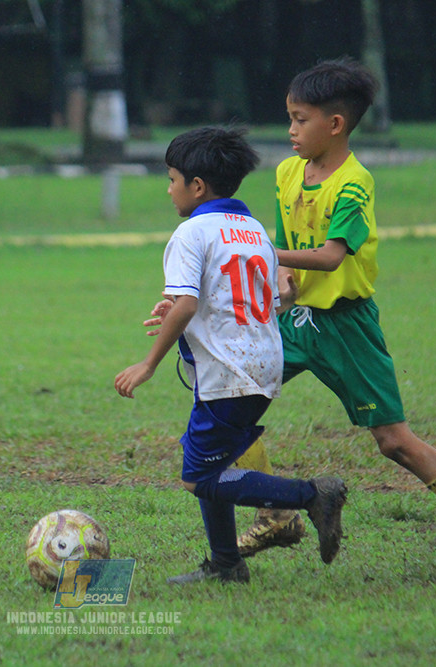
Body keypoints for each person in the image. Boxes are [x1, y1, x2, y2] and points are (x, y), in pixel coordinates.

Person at [226, 57, 436, 578]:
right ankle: (276, 515)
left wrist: (262, 253)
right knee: (230, 399)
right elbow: (291, 248)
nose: (290, 129)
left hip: (348, 327)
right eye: (290, 117)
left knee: (394, 442)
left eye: (300, 119)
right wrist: (283, 284)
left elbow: (329, 257)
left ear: (335, 124)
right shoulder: (287, 172)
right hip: (299, 323)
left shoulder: (354, 184)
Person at [114, 126, 349, 584]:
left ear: (197, 186)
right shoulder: (252, 230)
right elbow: (260, 299)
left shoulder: (191, 233)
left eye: (171, 180)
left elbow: (187, 303)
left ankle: (311, 496)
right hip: (262, 362)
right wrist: (179, 310)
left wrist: (148, 363)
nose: (168, 190)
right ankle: (227, 565)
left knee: (199, 478)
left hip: (228, 372)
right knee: (206, 459)